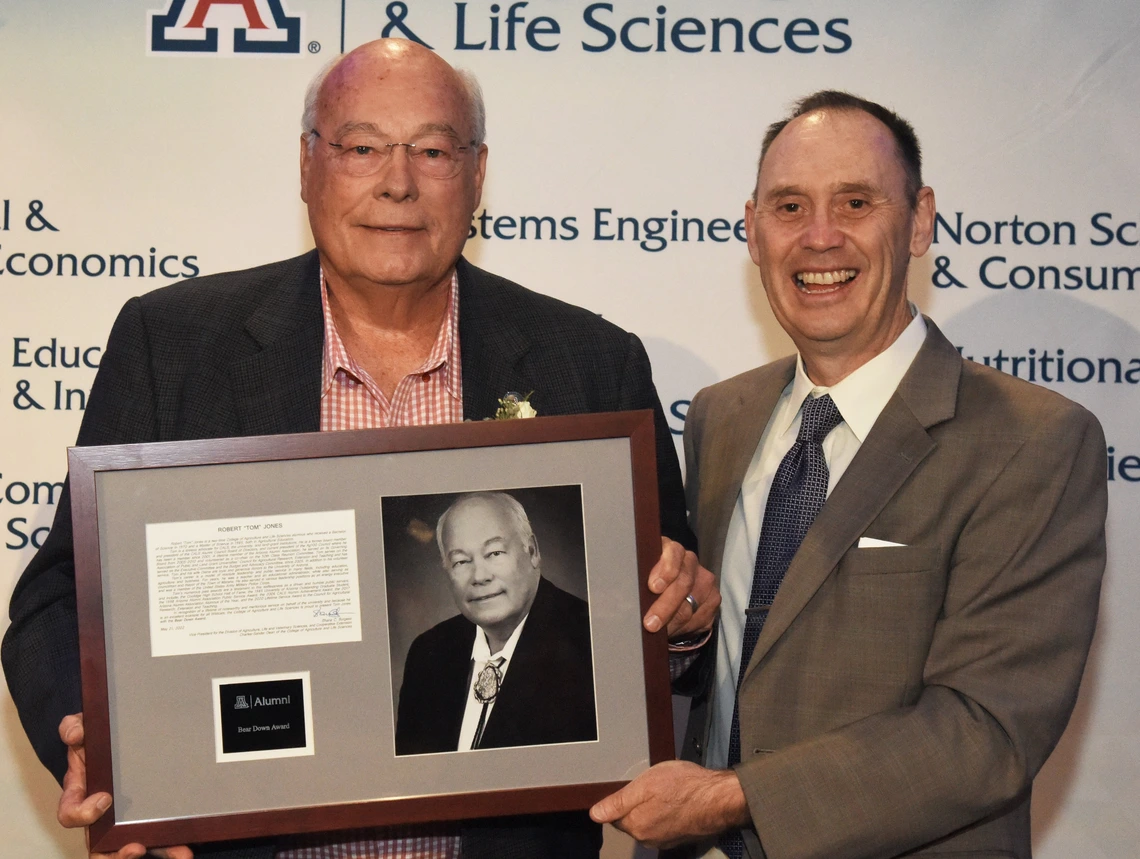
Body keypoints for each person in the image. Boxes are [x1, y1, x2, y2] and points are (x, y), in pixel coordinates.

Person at [2, 39, 719, 859]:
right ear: (309, 166)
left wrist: (684, 620)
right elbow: (59, 601)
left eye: (433, 150)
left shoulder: (591, 361)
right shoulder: (172, 344)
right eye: (363, 147)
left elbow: (666, 620)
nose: (398, 182)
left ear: (478, 173)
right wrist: (88, 733)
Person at [591, 90, 1108, 859]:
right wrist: (686, 633)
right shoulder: (720, 416)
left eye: (856, 202)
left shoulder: (1033, 442)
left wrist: (730, 799)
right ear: (752, 230)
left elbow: (986, 731)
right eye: (789, 207)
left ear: (921, 219)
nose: (820, 237)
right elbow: (733, 665)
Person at [395, 492, 596, 755]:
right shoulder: (427, 652)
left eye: (494, 553)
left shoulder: (591, 639)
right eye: (461, 561)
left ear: (532, 551)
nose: (479, 576)